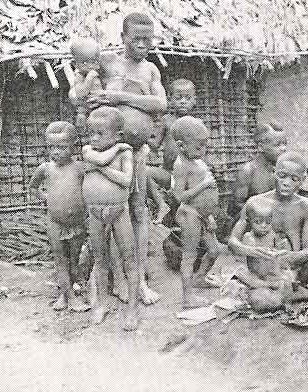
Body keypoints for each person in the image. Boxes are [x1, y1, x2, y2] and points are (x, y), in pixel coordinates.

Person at [86, 12, 167, 305]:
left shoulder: (151, 71)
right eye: (137, 39)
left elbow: (161, 104)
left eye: (149, 40)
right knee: (108, 211)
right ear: (122, 38)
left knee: (138, 211)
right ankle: (111, 279)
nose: (143, 45)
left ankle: (139, 279)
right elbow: (85, 89)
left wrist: (120, 97)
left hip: (136, 152)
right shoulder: (107, 63)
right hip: (106, 154)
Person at [228, 151, 308, 309]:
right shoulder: (256, 203)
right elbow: (232, 242)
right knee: (262, 302)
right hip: (265, 275)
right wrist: (251, 251)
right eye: (282, 176)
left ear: (302, 180)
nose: (286, 183)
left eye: (294, 179)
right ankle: (299, 294)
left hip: (295, 272)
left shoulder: (307, 207)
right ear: (274, 173)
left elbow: (307, 251)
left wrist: (289, 257)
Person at [81, 106, 139, 330]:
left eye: (100, 134)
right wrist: (108, 160)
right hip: (95, 212)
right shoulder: (89, 151)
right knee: (100, 259)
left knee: (129, 259)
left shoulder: (126, 153)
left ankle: (132, 308)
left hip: (119, 210)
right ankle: (102, 304)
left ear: (118, 136)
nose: (93, 138)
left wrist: (101, 170)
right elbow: (102, 159)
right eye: (91, 133)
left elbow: (126, 181)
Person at [28, 121, 89, 312]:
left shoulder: (80, 168)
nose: (56, 152)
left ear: (73, 145)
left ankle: (64, 293)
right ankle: (71, 298)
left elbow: (89, 189)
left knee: (74, 259)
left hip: (77, 223)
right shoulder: (45, 169)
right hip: (55, 223)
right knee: (60, 260)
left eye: (62, 147)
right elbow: (33, 187)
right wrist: (48, 199)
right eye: (52, 147)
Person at [234, 203, 308, 312]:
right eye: (258, 222)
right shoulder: (249, 238)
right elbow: (244, 255)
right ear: (249, 221)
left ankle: (290, 300)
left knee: (286, 280)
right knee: (257, 300)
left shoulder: (272, 235)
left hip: (274, 275)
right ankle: (301, 296)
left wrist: (282, 250)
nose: (264, 226)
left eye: (268, 222)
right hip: (258, 278)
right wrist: (256, 250)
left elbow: (282, 256)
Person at [171, 117, 221, 307]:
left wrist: (208, 215)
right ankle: (187, 298)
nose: (204, 151)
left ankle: (200, 278)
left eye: (205, 146)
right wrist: (204, 185)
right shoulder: (180, 166)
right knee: (189, 255)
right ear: (182, 146)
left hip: (203, 214)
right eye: (199, 147)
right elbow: (180, 196)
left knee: (214, 250)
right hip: (190, 214)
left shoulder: (197, 160)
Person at [146, 78, 197, 224]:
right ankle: (161, 204)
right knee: (144, 171)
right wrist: (143, 133)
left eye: (187, 98)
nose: (182, 101)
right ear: (170, 99)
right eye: (178, 98)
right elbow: (154, 144)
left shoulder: (196, 124)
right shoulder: (166, 120)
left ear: (194, 100)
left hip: (188, 177)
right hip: (168, 173)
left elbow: (200, 153)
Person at [228, 122, 287, 221]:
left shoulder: (283, 170)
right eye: (277, 145)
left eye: (285, 143)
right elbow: (236, 207)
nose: (283, 148)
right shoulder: (248, 171)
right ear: (260, 147)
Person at [69, 37, 104, 129]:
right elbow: (80, 93)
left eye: (94, 61)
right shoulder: (79, 76)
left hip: (97, 105)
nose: (90, 66)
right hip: (85, 108)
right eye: (84, 63)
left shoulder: (96, 71)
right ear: (75, 64)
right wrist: (89, 78)